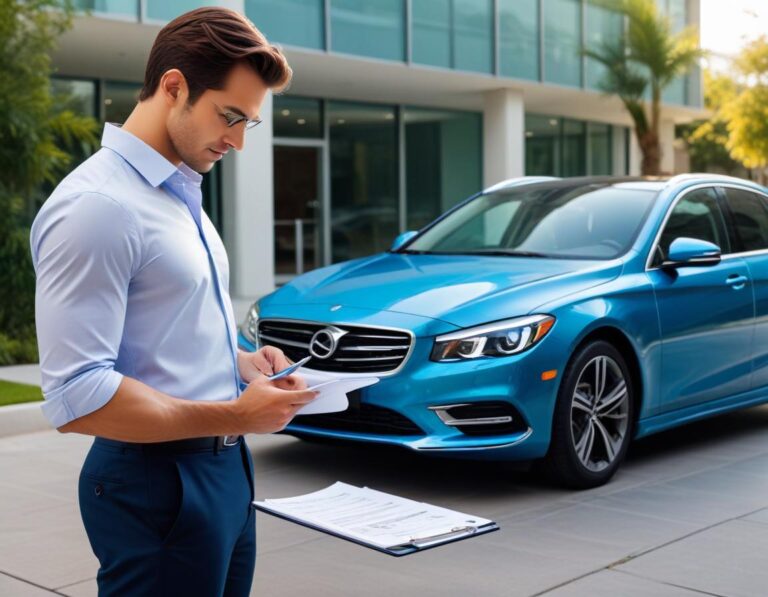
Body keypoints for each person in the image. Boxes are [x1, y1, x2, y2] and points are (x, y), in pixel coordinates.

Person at [29, 7, 316, 596]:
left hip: (225, 472)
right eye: (230, 116)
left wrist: (242, 362)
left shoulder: (181, 193)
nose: (237, 141)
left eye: (248, 124)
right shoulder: (98, 207)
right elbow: (77, 394)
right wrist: (235, 415)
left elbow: (170, 326)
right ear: (174, 86)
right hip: (157, 481)